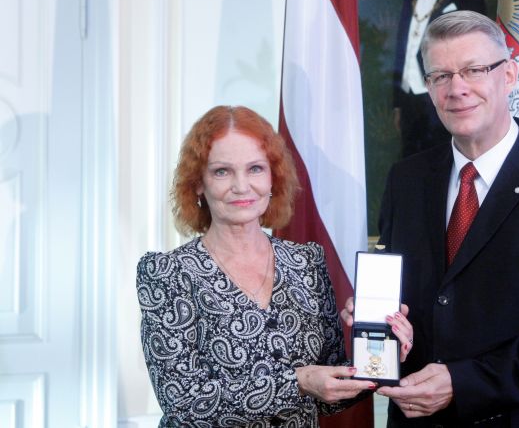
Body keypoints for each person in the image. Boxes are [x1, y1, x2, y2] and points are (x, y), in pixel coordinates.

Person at [343, 11, 519, 426]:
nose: (457, 89)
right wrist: (377, 319)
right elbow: (414, 303)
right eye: (441, 76)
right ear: (429, 87)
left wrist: (463, 383)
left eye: (473, 70)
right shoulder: (406, 180)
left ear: (508, 75)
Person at [136, 105, 413, 427]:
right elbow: (183, 402)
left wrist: (381, 356)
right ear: (198, 182)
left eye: (255, 168)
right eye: (222, 171)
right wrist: (298, 382)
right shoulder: (166, 272)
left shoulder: (307, 262)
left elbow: (328, 395)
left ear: (273, 177)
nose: (242, 186)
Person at [393, 0, 487, 158]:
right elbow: (401, 51)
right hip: (409, 99)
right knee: (411, 163)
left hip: (444, 94)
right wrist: (398, 102)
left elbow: (477, 50)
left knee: (443, 161)